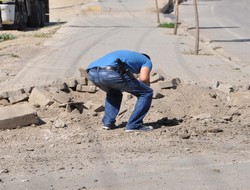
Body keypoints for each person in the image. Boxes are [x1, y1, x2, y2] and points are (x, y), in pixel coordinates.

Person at [86, 50, 154, 132]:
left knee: (114, 92)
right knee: (146, 93)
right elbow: (143, 78)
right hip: (111, 72)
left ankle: (108, 123)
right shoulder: (146, 61)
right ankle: (134, 125)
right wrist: (144, 87)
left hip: (92, 73)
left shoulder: (128, 56)